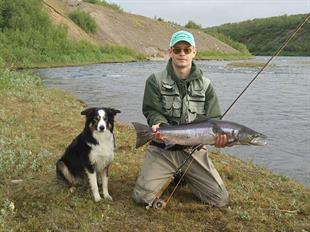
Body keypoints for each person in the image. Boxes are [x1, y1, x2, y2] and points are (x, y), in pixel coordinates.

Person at [132, 30, 229, 208]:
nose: (182, 54)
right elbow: (152, 110)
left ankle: (184, 174)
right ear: (170, 52)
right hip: (163, 149)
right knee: (142, 197)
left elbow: (215, 119)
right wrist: (158, 125)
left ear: (194, 52)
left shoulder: (206, 85)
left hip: (193, 152)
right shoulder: (154, 80)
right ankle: (174, 172)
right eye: (177, 50)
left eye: (186, 49)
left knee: (220, 199)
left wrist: (222, 140)